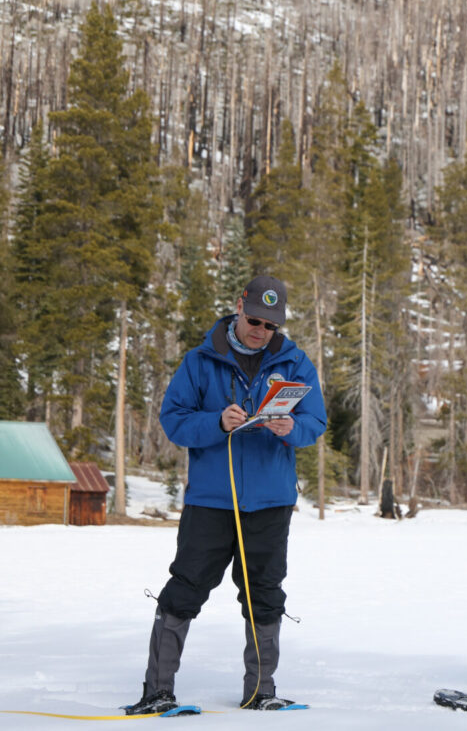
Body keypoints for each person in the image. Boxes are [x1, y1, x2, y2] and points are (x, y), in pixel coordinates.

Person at [124, 275, 327, 714]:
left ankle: (261, 691)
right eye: (255, 320)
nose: (261, 330)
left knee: (265, 594)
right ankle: (157, 691)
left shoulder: (295, 364)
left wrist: (293, 428)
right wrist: (216, 423)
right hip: (212, 501)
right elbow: (173, 420)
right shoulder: (200, 361)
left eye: (270, 325)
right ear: (239, 307)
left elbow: (317, 422)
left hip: (271, 503)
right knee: (186, 588)